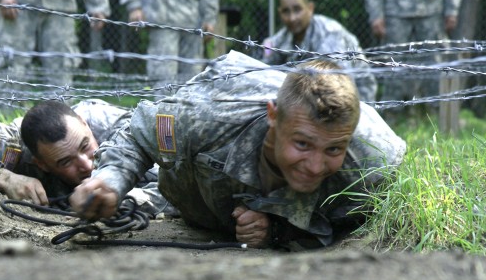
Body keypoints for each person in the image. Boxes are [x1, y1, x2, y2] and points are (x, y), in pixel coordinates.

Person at [69, 51, 406, 250]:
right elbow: (136, 131)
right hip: (188, 178)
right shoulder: (205, 117)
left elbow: (354, 230)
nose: (316, 166)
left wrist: (277, 231)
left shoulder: (371, 171)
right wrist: (111, 181)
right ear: (274, 115)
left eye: (334, 148)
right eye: (302, 144)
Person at [0, 99, 175, 217]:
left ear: (85, 125)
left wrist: (130, 200)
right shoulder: (17, 144)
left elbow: (177, 176)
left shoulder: (117, 125)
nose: (87, 165)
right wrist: (4, 177)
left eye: (85, 146)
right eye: (66, 162)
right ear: (40, 163)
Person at [261, 0, 377, 102]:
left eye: (297, 9)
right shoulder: (277, 40)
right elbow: (264, 74)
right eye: (286, 11)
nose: (292, 18)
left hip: (356, 98)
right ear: (280, 13)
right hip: (308, 97)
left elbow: (338, 84)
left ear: (310, 8)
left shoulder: (330, 33)